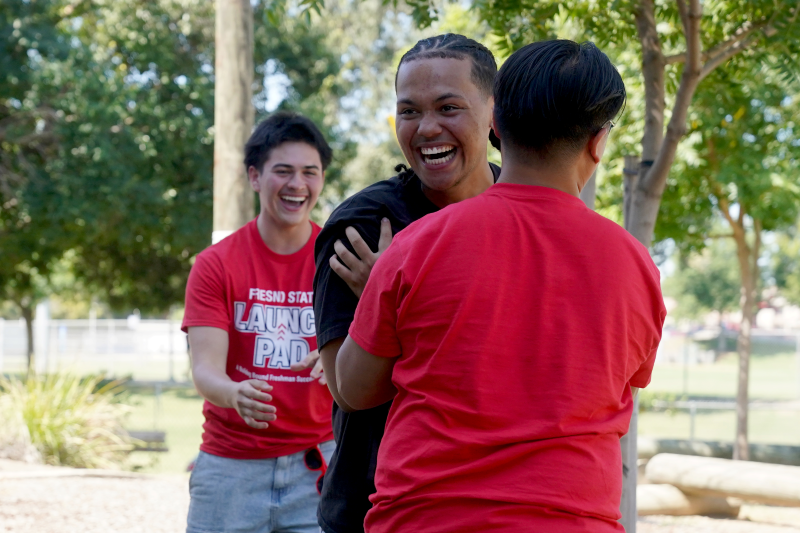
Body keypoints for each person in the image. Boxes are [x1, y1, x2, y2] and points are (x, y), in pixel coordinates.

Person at [336, 40, 667, 532]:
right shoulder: (636, 267)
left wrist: (385, 306)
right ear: (598, 142)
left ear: (495, 124)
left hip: (428, 521)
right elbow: (618, 383)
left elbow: (354, 388)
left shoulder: (418, 245)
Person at [308, 34, 500, 533]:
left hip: (502, 503)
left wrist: (400, 288)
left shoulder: (523, 209)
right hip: (378, 510)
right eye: (409, 111)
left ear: (494, 112)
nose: (427, 128)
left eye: (449, 107)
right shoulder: (365, 224)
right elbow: (348, 389)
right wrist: (391, 294)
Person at [181, 112, 335, 533]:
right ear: (254, 177)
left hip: (318, 466)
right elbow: (205, 370)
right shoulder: (216, 264)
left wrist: (338, 358)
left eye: (310, 172)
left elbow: (369, 344)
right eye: (282, 171)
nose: (297, 185)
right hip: (231, 468)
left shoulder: (337, 259)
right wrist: (233, 392)